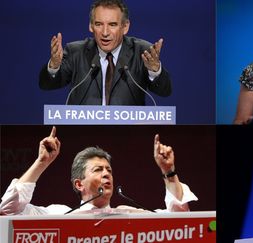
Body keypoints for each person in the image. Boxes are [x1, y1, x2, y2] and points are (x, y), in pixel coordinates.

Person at [0, 127, 197, 215]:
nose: (106, 174)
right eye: (98, 170)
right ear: (79, 183)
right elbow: (8, 210)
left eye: (108, 170)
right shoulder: (60, 215)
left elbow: (180, 220)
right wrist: (41, 163)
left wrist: (169, 171)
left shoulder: (129, 214)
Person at [39, 0, 172, 105]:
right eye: (98, 24)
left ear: (125, 27)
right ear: (91, 26)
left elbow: (164, 91)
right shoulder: (76, 52)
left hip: (128, 134)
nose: (105, 33)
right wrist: (54, 67)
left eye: (112, 24)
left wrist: (154, 70)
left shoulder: (141, 52)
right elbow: (47, 85)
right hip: (84, 134)